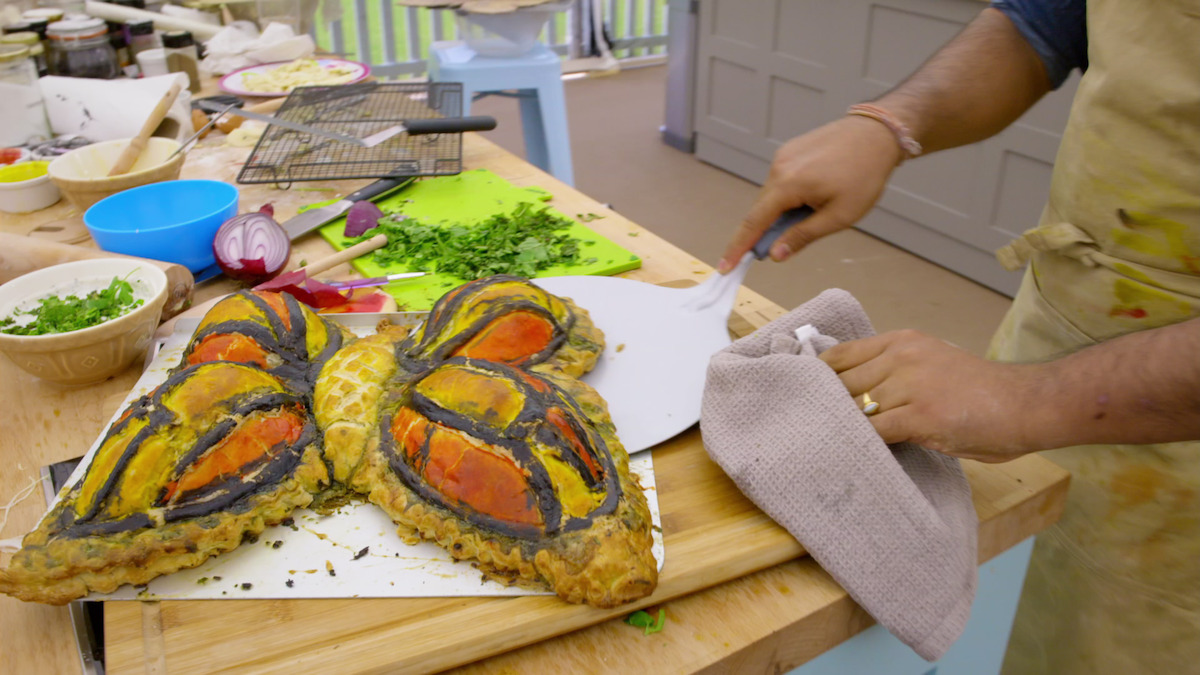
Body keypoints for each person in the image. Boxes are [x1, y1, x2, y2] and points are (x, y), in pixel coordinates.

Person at [718, 2, 1200, 673]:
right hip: (1060, 325)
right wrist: (890, 124)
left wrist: (1029, 401)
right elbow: (1052, 19)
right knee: (997, 611)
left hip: (1178, 483)